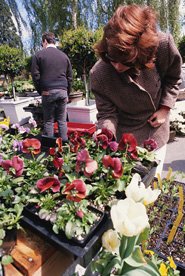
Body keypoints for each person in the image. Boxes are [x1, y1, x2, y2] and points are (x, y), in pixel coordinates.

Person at [90, 4, 182, 175]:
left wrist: (165, 108)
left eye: (126, 61)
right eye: (112, 58)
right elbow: (107, 113)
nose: (117, 66)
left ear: (143, 54)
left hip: (155, 131)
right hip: (124, 136)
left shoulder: (162, 46)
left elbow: (173, 78)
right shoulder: (99, 74)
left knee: (153, 185)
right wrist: (105, 133)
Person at [31, 31, 72, 142]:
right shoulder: (64, 56)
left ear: (45, 41)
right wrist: (67, 93)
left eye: (42, 43)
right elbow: (70, 77)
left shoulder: (38, 55)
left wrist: (41, 91)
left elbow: (35, 76)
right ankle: (64, 147)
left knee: (49, 121)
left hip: (48, 92)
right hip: (63, 91)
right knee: (62, 121)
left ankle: (51, 150)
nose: (42, 45)